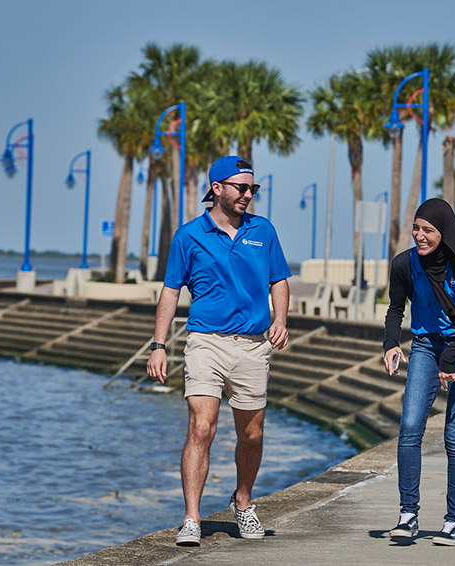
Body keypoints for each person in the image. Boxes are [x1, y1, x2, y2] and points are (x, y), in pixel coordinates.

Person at [147, 156, 292, 546]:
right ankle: (192, 517)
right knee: (201, 427)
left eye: (252, 189)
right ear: (217, 188)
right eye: (241, 188)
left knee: (252, 433)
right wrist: (159, 345)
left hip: (252, 344)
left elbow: (279, 279)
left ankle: (242, 502)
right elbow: (171, 291)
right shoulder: (188, 236)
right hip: (204, 342)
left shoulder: (264, 231)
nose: (248, 195)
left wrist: (280, 320)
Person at [381, 198, 455, 547]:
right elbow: (395, 308)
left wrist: (454, 355)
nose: (420, 235)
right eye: (416, 228)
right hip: (426, 348)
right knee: (411, 426)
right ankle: (408, 514)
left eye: (428, 230)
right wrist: (390, 343)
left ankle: (453, 521)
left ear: (444, 232)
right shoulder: (404, 264)